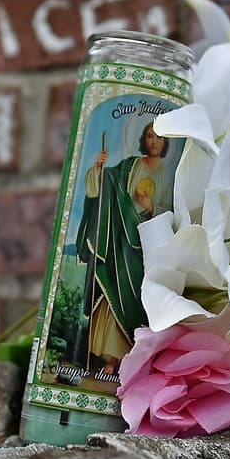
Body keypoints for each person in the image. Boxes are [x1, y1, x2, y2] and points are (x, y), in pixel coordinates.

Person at [75, 122, 172, 374]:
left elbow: (169, 213)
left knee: (129, 297)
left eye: (159, 137)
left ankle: (123, 358)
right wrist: (99, 167)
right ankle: (107, 357)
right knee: (111, 293)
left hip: (139, 243)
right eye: (149, 135)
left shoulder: (167, 177)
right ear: (144, 140)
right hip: (116, 237)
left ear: (165, 143)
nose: (153, 141)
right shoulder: (130, 165)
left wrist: (151, 207)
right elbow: (107, 183)